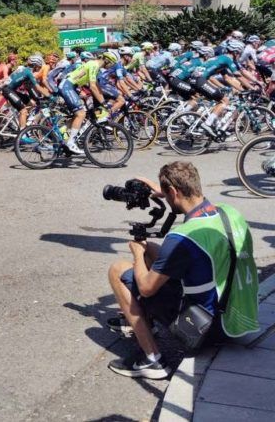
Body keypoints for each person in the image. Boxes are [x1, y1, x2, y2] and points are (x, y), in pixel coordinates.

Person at [106, 161, 258, 379]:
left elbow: (147, 288)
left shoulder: (183, 237)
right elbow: (182, 255)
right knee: (155, 252)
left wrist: (138, 254)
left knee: (118, 269)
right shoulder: (228, 213)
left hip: (203, 330)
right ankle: (144, 321)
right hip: (236, 319)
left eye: (167, 195)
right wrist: (163, 192)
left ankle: (152, 360)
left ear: (174, 192)